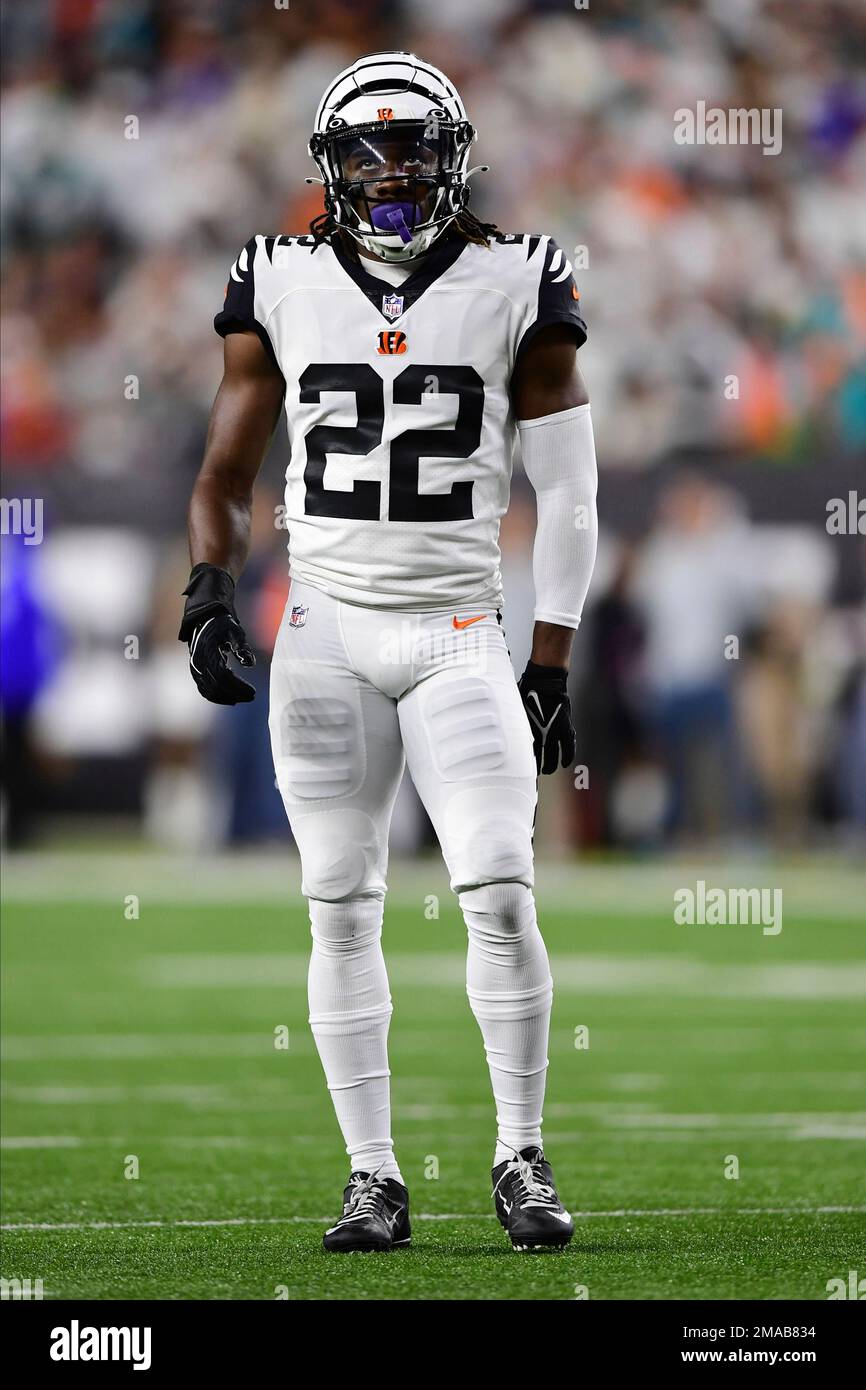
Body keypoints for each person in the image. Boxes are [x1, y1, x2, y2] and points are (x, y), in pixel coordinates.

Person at [178, 52, 597, 1253]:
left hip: (460, 627)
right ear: (328, 168)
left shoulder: (521, 273)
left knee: (501, 892)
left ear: (453, 149)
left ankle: (519, 1153)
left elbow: (567, 494)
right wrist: (209, 589)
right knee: (336, 907)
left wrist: (551, 657)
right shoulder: (278, 275)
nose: (389, 170)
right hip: (322, 631)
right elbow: (222, 473)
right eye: (363, 152)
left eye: (409, 145)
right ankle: (373, 1175)